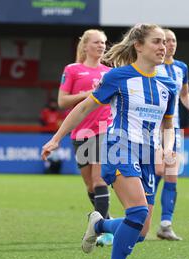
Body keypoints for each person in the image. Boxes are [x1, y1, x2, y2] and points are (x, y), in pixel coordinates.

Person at [42, 23, 177, 259]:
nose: (163, 47)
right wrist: (56, 138)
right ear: (138, 46)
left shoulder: (168, 83)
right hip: (119, 148)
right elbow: (84, 108)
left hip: (148, 155)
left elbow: (168, 125)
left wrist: (167, 147)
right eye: (156, 42)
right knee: (137, 212)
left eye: (165, 42)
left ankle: (100, 224)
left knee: (139, 231)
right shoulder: (119, 77)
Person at [57, 29, 113, 246]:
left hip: (103, 129)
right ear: (86, 45)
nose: (101, 46)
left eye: (104, 43)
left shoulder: (109, 72)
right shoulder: (72, 70)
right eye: (97, 42)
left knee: (100, 180)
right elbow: (62, 101)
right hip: (81, 132)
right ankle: (106, 221)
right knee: (90, 185)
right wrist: (88, 94)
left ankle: (104, 232)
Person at [153, 29, 189, 241]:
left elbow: (184, 93)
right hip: (153, 129)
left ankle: (165, 224)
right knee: (154, 173)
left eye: (173, 40)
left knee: (171, 175)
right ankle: (139, 218)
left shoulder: (182, 67)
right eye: (166, 40)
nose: (170, 44)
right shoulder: (152, 66)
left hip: (173, 129)